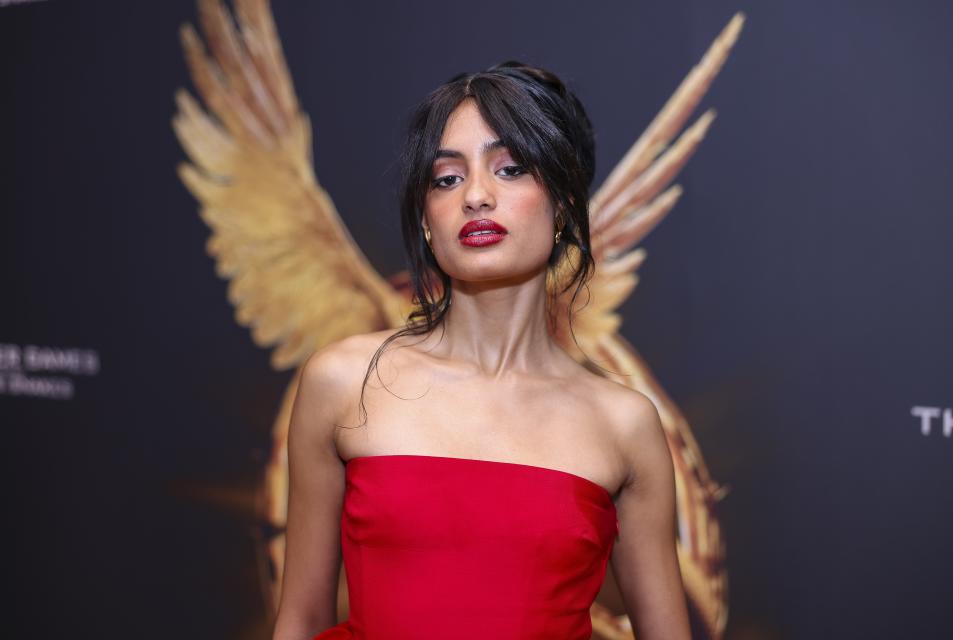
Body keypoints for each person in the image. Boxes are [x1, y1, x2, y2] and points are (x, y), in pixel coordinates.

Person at [271, 61, 690, 640]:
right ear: (425, 219)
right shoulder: (346, 383)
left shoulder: (623, 425)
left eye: (510, 168)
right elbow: (300, 620)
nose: (476, 196)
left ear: (565, 204)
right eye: (446, 178)